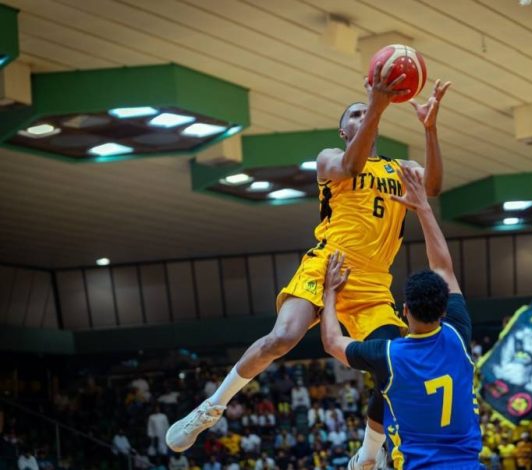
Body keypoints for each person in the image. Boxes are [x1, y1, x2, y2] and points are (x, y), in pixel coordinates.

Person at [166, 59, 452, 467]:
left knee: (393, 369)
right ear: (344, 131)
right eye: (354, 115)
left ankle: (368, 456)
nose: (363, 115)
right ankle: (211, 407)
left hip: (373, 284)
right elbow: (352, 166)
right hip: (326, 265)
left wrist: (430, 129)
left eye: (365, 111)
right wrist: (377, 103)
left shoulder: (401, 169)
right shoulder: (329, 158)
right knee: (283, 338)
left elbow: (435, 186)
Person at [319, 167, 481, 469]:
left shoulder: (389, 354)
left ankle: (369, 456)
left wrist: (329, 293)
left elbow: (331, 341)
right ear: (444, 310)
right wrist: (423, 208)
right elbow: (443, 268)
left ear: (404, 310)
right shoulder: (458, 333)